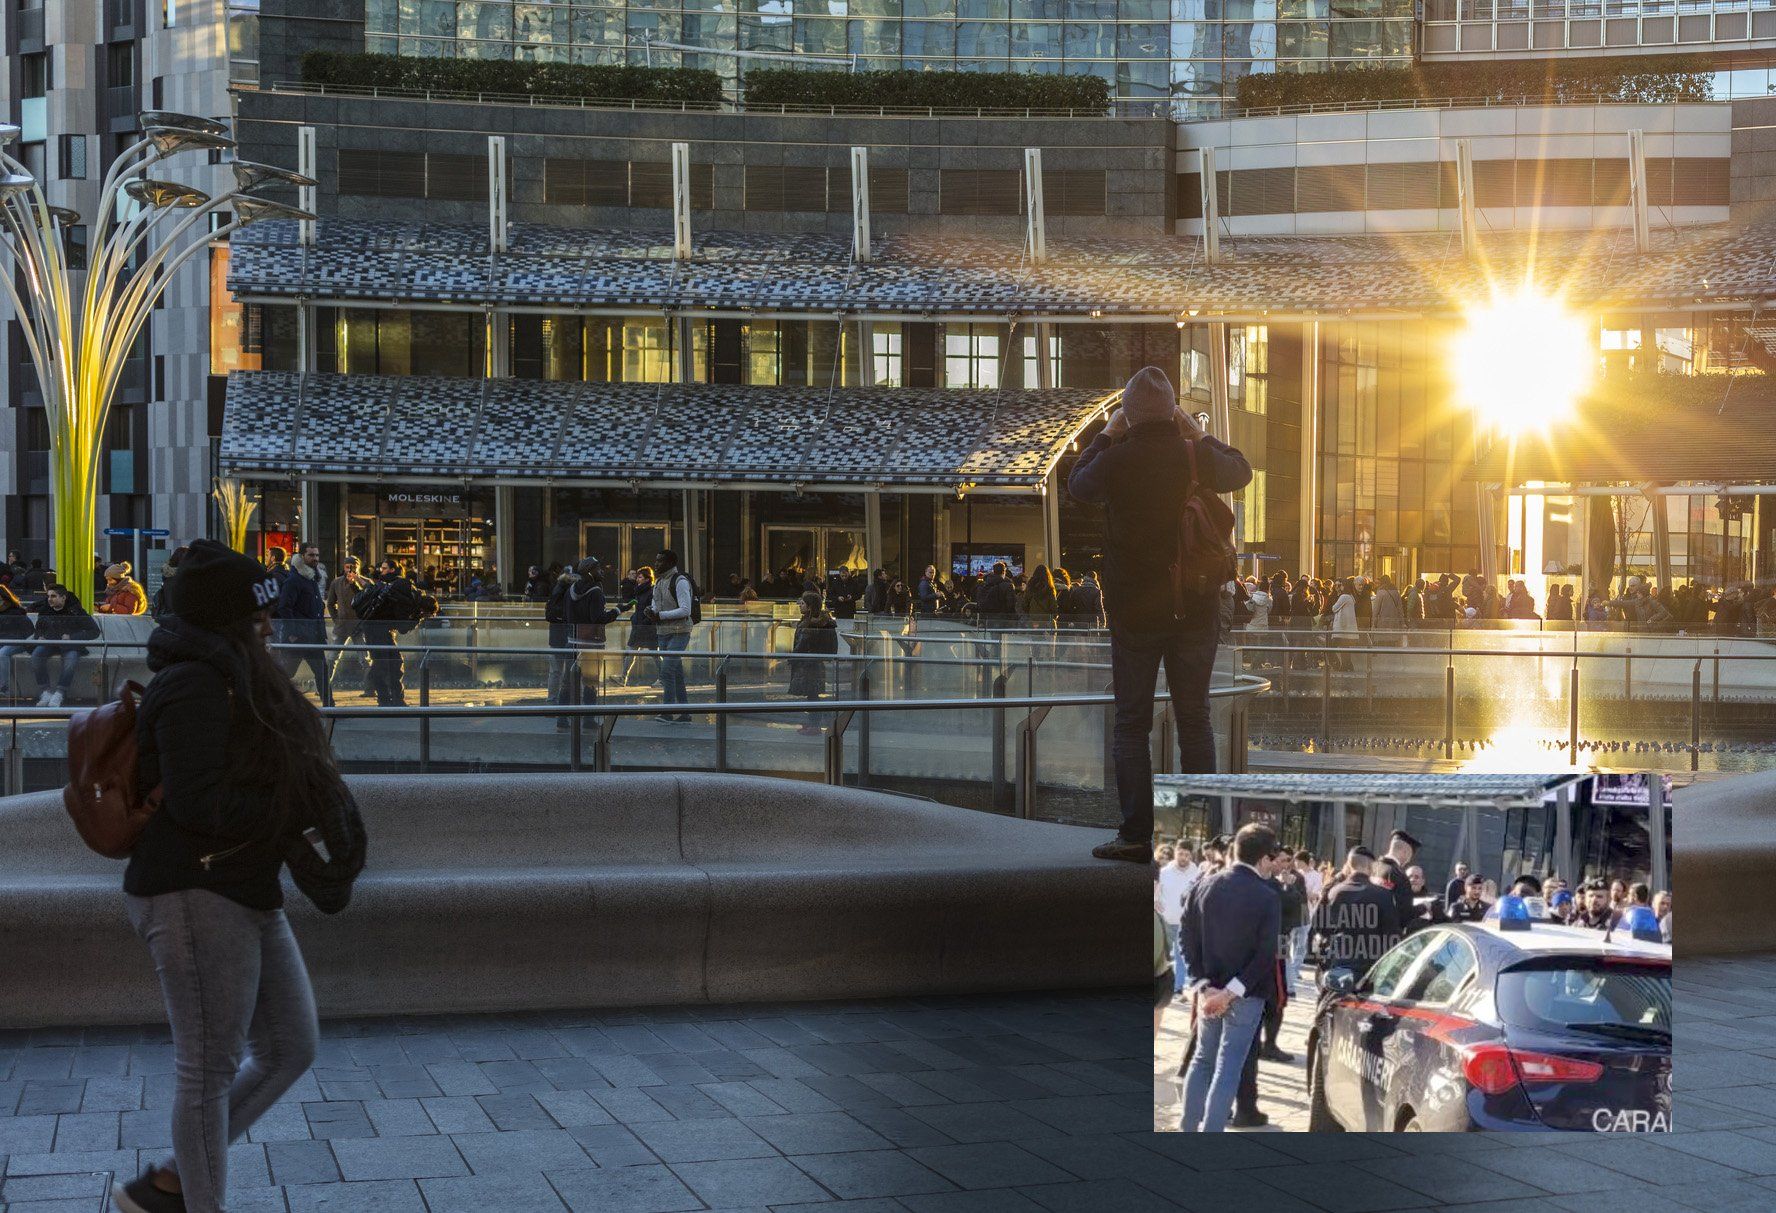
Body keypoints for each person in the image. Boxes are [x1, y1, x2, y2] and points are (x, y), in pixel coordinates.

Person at [113, 538, 360, 1213]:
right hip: (193, 890)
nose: (270, 626)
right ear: (228, 620)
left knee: (290, 1046)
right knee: (207, 1071)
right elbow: (199, 802)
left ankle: (169, 1182)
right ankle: (192, 1200)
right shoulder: (193, 683)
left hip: (240, 882)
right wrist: (289, 804)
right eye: (258, 616)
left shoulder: (236, 675)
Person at [1067, 366, 1252, 863]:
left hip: (1134, 613)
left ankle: (1135, 835)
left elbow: (1077, 485)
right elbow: (1241, 470)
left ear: (1128, 413)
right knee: (1195, 720)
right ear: (1173, 410)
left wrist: (1106, 434)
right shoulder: (1193, 453)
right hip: (1194, 609)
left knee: (1131, 724)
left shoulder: (1117, 458)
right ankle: (1197, 837)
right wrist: (1198, 433)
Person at [1176, 824, 1281, 1133]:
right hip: (1244, 996)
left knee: (1202, 1060)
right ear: (1263, 858)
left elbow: (1185, 938)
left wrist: (1204, 986)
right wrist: (1228, 992)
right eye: (1272, 858)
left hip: (1209, 991)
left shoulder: (1203, 885)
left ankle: (1188, 1129)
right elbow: (1265, 955)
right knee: (1227, 1067)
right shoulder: (1267, 896)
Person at [1310, 846, 1402, 983]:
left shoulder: (1333, 892)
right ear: (1372, 868)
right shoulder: (1383, 895)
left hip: (1337, 961)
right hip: (1369, 966)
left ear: (1348, 865)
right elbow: (1392, 934)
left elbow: (1318, 925)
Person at [4, 584, 99, 707]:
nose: (50, 599)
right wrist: (40, 636)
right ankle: (46, 691)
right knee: (36, 657)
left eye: (53, 596)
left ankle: (60, 692)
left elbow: (94, 631)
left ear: (63, 598)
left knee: (70, 661)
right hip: (49, 643)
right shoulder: (45, 610)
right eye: (48, 596)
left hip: (70, 645)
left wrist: (71, 637)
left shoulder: (76, 611)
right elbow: (39, 628)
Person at [273, 543, 331, 706]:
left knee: (322, 672)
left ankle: (330, 706)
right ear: (302, 556)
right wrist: (294, 633)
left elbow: (315, 608)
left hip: (312, 637)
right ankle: (272, 700)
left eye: (317, 555)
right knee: (287, 672)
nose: (315, 558)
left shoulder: (311, 577)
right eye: (311, 555)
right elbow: (284, 607)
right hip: (299, 638)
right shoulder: (295, 580)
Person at [648, 549, 696, 722]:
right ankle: (685, 713)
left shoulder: (680, 581)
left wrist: (660, 615)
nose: (656, 564)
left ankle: (667, 711)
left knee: (667, 671)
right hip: (663, 632)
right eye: (656, 560)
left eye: (660, 561)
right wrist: (652, 611)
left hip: (680, 632)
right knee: (676, 673)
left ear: (670, 563)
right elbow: (656, 603)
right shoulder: (659, 582)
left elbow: (685, 610)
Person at [789, 590, 838, 736]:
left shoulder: (810, 623)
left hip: (809, 663)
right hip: (813, 662)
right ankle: (812, 723)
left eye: (803, 603)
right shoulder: (814, 621)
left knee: (812, 694)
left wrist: (792, 657)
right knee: (811, 694)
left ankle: (814, 724)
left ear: (809, 606)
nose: (800, 606)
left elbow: (803, 643)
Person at [1154, 844, 1200, 996]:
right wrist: (1156, 902)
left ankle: (1178, 987)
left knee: (1182, 956)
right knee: (1164, 956)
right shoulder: (1165, 872)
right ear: (1175, 853)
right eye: (1181, 854)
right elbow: (1157, 892)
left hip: (1186, 922)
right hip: (1166, 920)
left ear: (1191, 856)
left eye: (1187, 855)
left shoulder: (1196, 873)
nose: (1183, 858)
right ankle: (1162, 985)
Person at [325, 556, 370, 693]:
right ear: (344, 567)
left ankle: (370, 687)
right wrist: (336, 619)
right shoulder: (336, 582)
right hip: (342, 625)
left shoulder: (364, 582)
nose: (350, 569)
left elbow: (369, 592)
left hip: (358, 626)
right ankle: (325, 686)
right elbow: (330, 603)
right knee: (333, 657)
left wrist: (357, 580)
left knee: (364, 658)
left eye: (353, 566)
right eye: (347, 566)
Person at [0, 584, 34, 700]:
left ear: (5, 599)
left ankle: (3, 688)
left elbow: (29, 632)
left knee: (3, 654)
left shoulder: (17, 612)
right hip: (3, 642)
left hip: (16, 642)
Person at [972, 562, 1018, 626]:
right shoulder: (1008, 586)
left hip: (988, 619)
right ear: (1004, 571)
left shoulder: (984, 584)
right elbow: (1011, 605)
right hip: (1003, 620)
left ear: (993, 571)